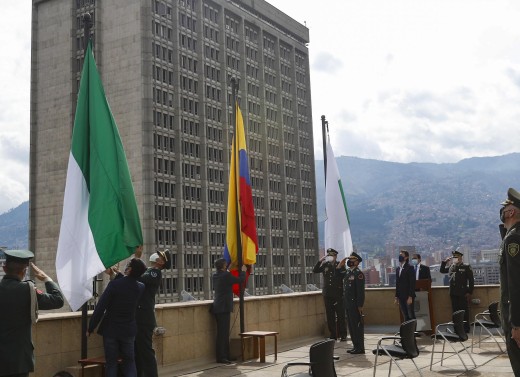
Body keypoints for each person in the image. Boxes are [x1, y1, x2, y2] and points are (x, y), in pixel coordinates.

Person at [0, 249, 64, 377]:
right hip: (19, 360)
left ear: (4, 268)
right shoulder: (27, 291)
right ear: (24, 271)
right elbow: (58, 300)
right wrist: (47, 279)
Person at [87, 258, 146, 377]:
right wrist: (116, 274)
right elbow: (128, 283)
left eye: (128, 265)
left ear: (129, 269)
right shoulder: (140, 287)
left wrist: (91, 327)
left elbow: (100, 307)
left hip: (111, 330)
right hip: (128, 331)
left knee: (111, 363)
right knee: (129, 362)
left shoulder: (114, 285)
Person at [134, 247, 170, 377]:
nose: (156, 256)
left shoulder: (155, 272)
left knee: (146, 351)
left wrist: (136, 261)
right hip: (138, 316)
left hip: (144, 318)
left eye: (159, 256)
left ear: (161, 262)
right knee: (137, 351)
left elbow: (140, 279)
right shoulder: (149, 270)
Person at [499, 187, 520, 375]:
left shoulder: (513, 238)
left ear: (511, 212)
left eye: (504, 209)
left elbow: (515, 283)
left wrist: (516, 324)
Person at [211, 258, 247, 364]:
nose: (227, 265)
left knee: (223, 333)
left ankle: (225, 355)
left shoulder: (216, 275)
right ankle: (222, 357)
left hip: (218, 307)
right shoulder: (226, 275)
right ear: (223, 266)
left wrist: (228, 270)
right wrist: (244, 271)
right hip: (224, 307)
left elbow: (228, 278)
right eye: (225, 264)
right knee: (223, 334)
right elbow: (239, 279)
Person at [312, 248, 347, 341]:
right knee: (330, 315)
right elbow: (315, 270)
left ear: (335, 256)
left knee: (341, 315)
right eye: (329, 256)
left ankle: (343, 335)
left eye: (332, 255)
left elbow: (343, 275)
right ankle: (333, 335)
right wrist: (320, 261)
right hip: (327, 294)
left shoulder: (340, 265)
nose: (330, 257)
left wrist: (339, 268)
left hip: (338, 294)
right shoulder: (325, 265)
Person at [440, 249, 474, 332]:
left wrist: (469, 292)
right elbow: (442, 271)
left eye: (456, 257)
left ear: (460, 257)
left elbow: (471, 280)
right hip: (453, 293)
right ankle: (457, 328)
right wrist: (444, 262)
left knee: (464, 311)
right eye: (454, 257)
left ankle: (466, 328)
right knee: (455, 311)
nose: (454, 258)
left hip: (463, 293)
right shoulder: (452, 266)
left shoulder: (466, 266)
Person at [339, 252, 365, 354]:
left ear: (357, 262)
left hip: (355, 305)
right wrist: (341, 263)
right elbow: (338, 272)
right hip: (348, 303)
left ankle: (360, 348)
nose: (350, 261)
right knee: (351, 326)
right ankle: (355, 346)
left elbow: (360, 292)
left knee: (357, 326)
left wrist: (360, 305)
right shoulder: (349, 272)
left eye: (352, 260)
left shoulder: (358, 274)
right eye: (349, 259)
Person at [395, 250, 416, 321]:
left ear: (406, 257)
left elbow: (412, 283)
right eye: (399, 255)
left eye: (402, 255)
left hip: (408, 296)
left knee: (411, 315)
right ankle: (407, 331)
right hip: (401, 296)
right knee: (405, 316)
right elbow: (397, 283)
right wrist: (396, 296)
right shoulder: (398, 269)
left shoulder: (410, 268)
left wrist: (410, 296)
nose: (400, 256)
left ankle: (413, 331)